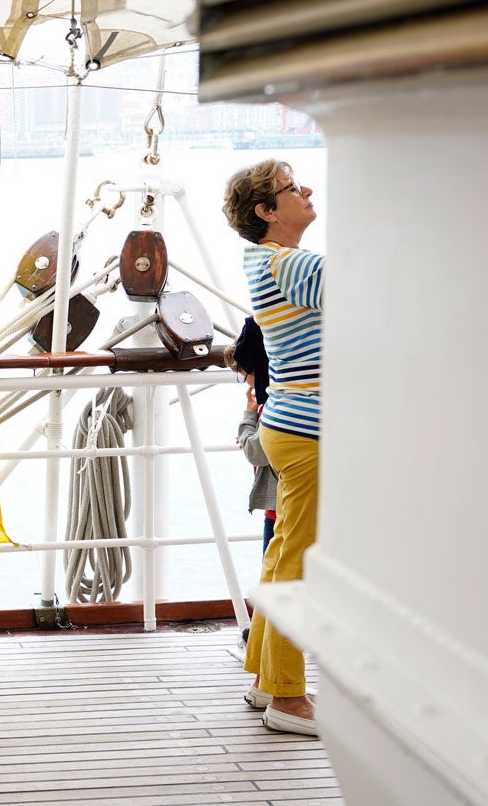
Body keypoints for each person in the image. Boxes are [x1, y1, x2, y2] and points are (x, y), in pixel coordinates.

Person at [222, 159, 323, 737]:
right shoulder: (292, 265)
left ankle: (264, 676)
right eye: (292, 188)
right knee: (298, 562)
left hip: (288, 422)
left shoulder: (265, 261)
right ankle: (288, 696)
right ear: (265, 211)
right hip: (312, 431)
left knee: (283, 552)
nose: (306, 191)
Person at [224, 317, 277, 556]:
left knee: (272, 576)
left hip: (278, 510)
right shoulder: (278, 397)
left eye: (244, 374)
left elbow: (257, 453)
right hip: (284, 505)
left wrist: (248, 418)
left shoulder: (272, 404)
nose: (245, 381)